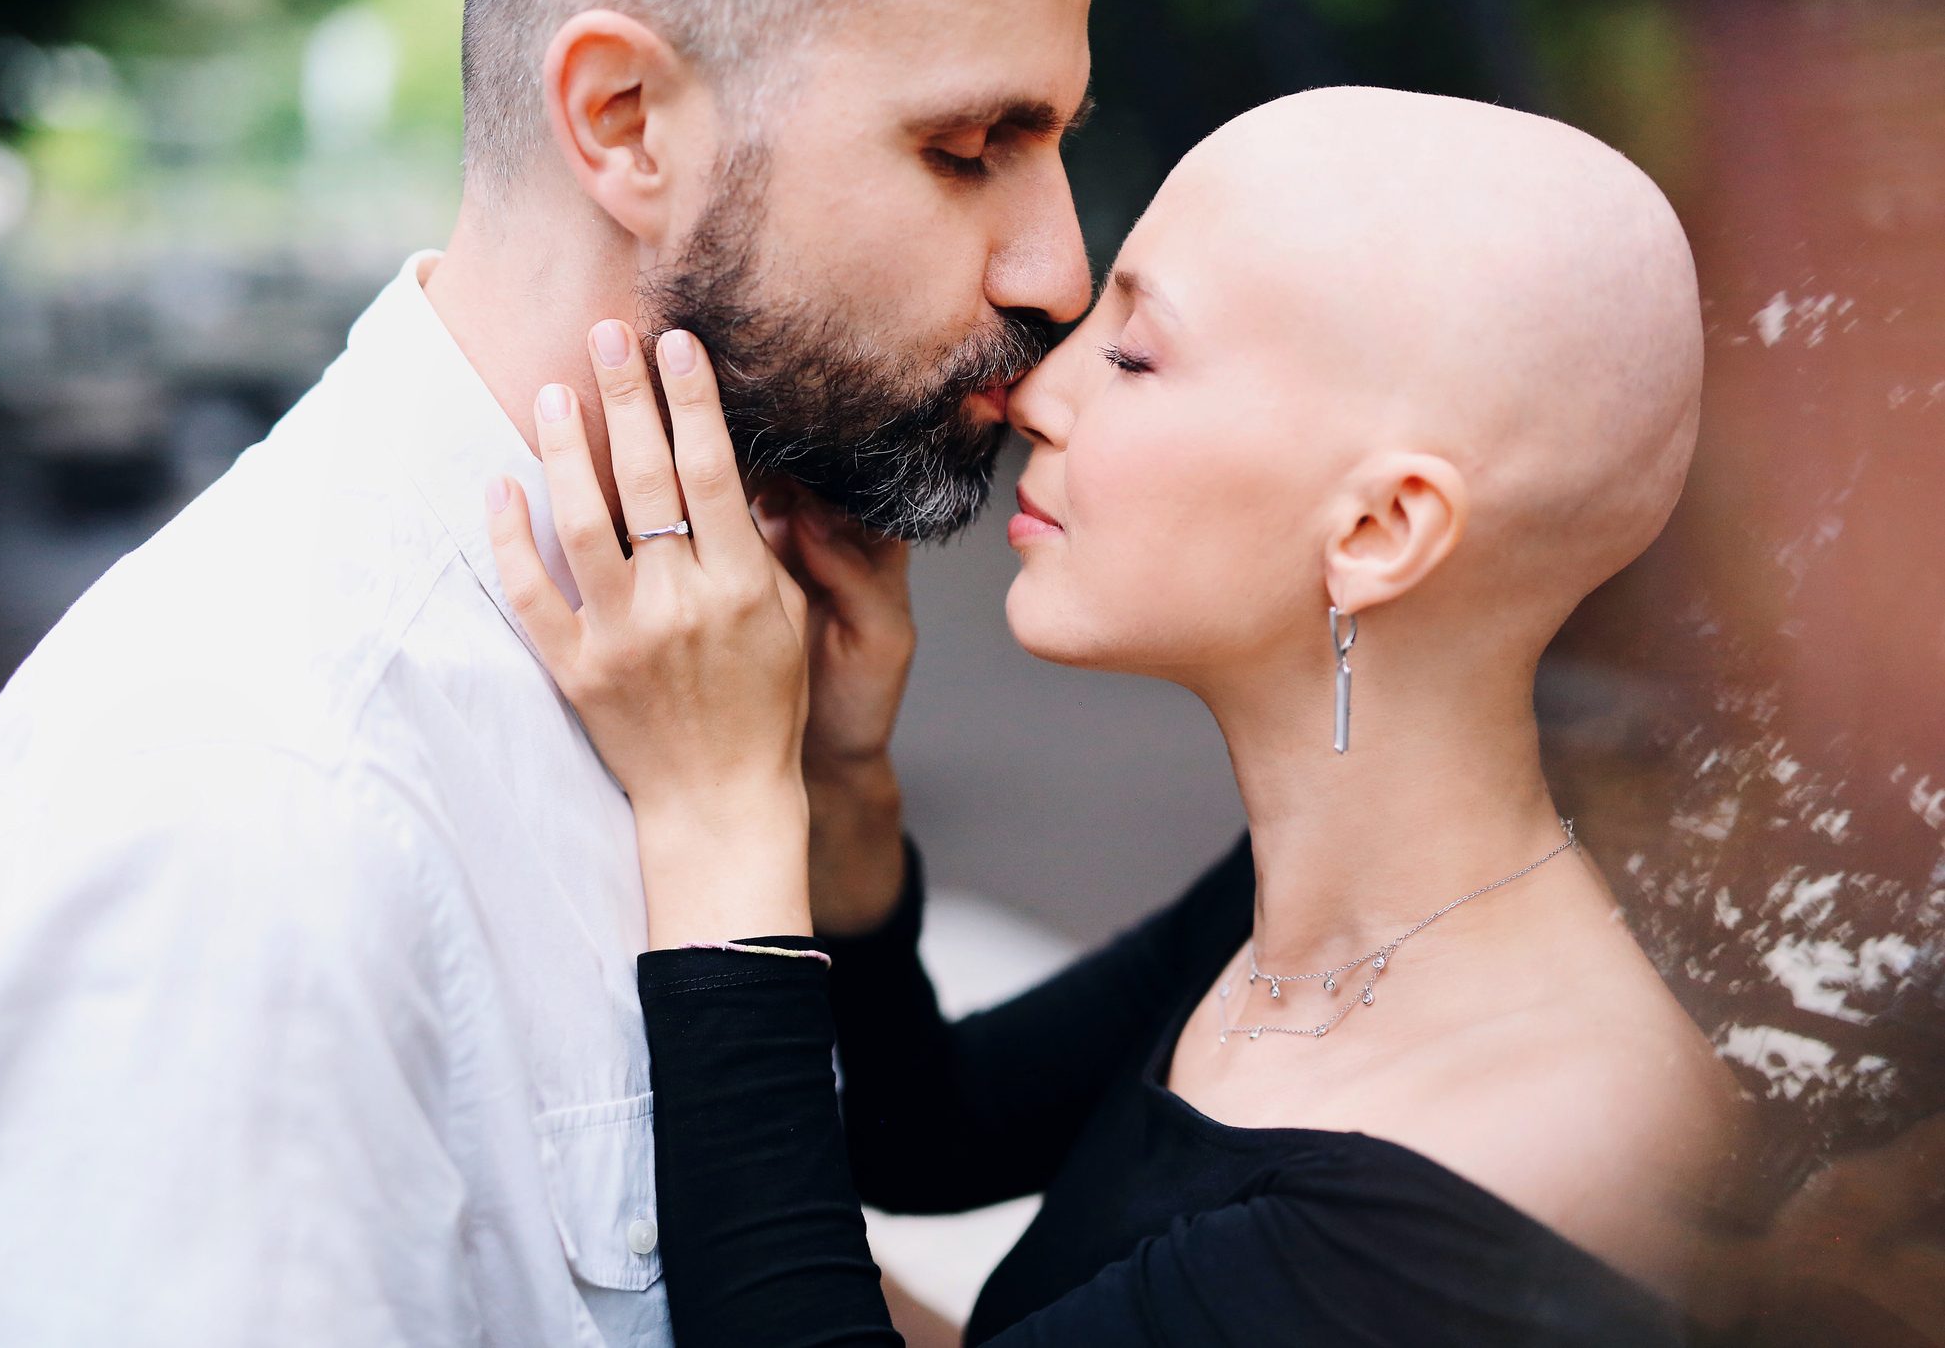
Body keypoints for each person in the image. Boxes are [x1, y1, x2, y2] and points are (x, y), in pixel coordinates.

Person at [0, 0, 1091, 1342]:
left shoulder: (716, 637)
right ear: (624, 123)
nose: (1058, 268)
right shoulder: (249, 803)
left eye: (1060, 133)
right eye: (969, 147)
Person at [484, 86, 1752, 1345]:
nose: (1038, 391)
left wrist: (721, 807)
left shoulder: (1498, 1194)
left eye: (1137, 354)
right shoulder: (1332, 907)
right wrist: (840, 779)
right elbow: (929, 1131)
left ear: (1379, 530)